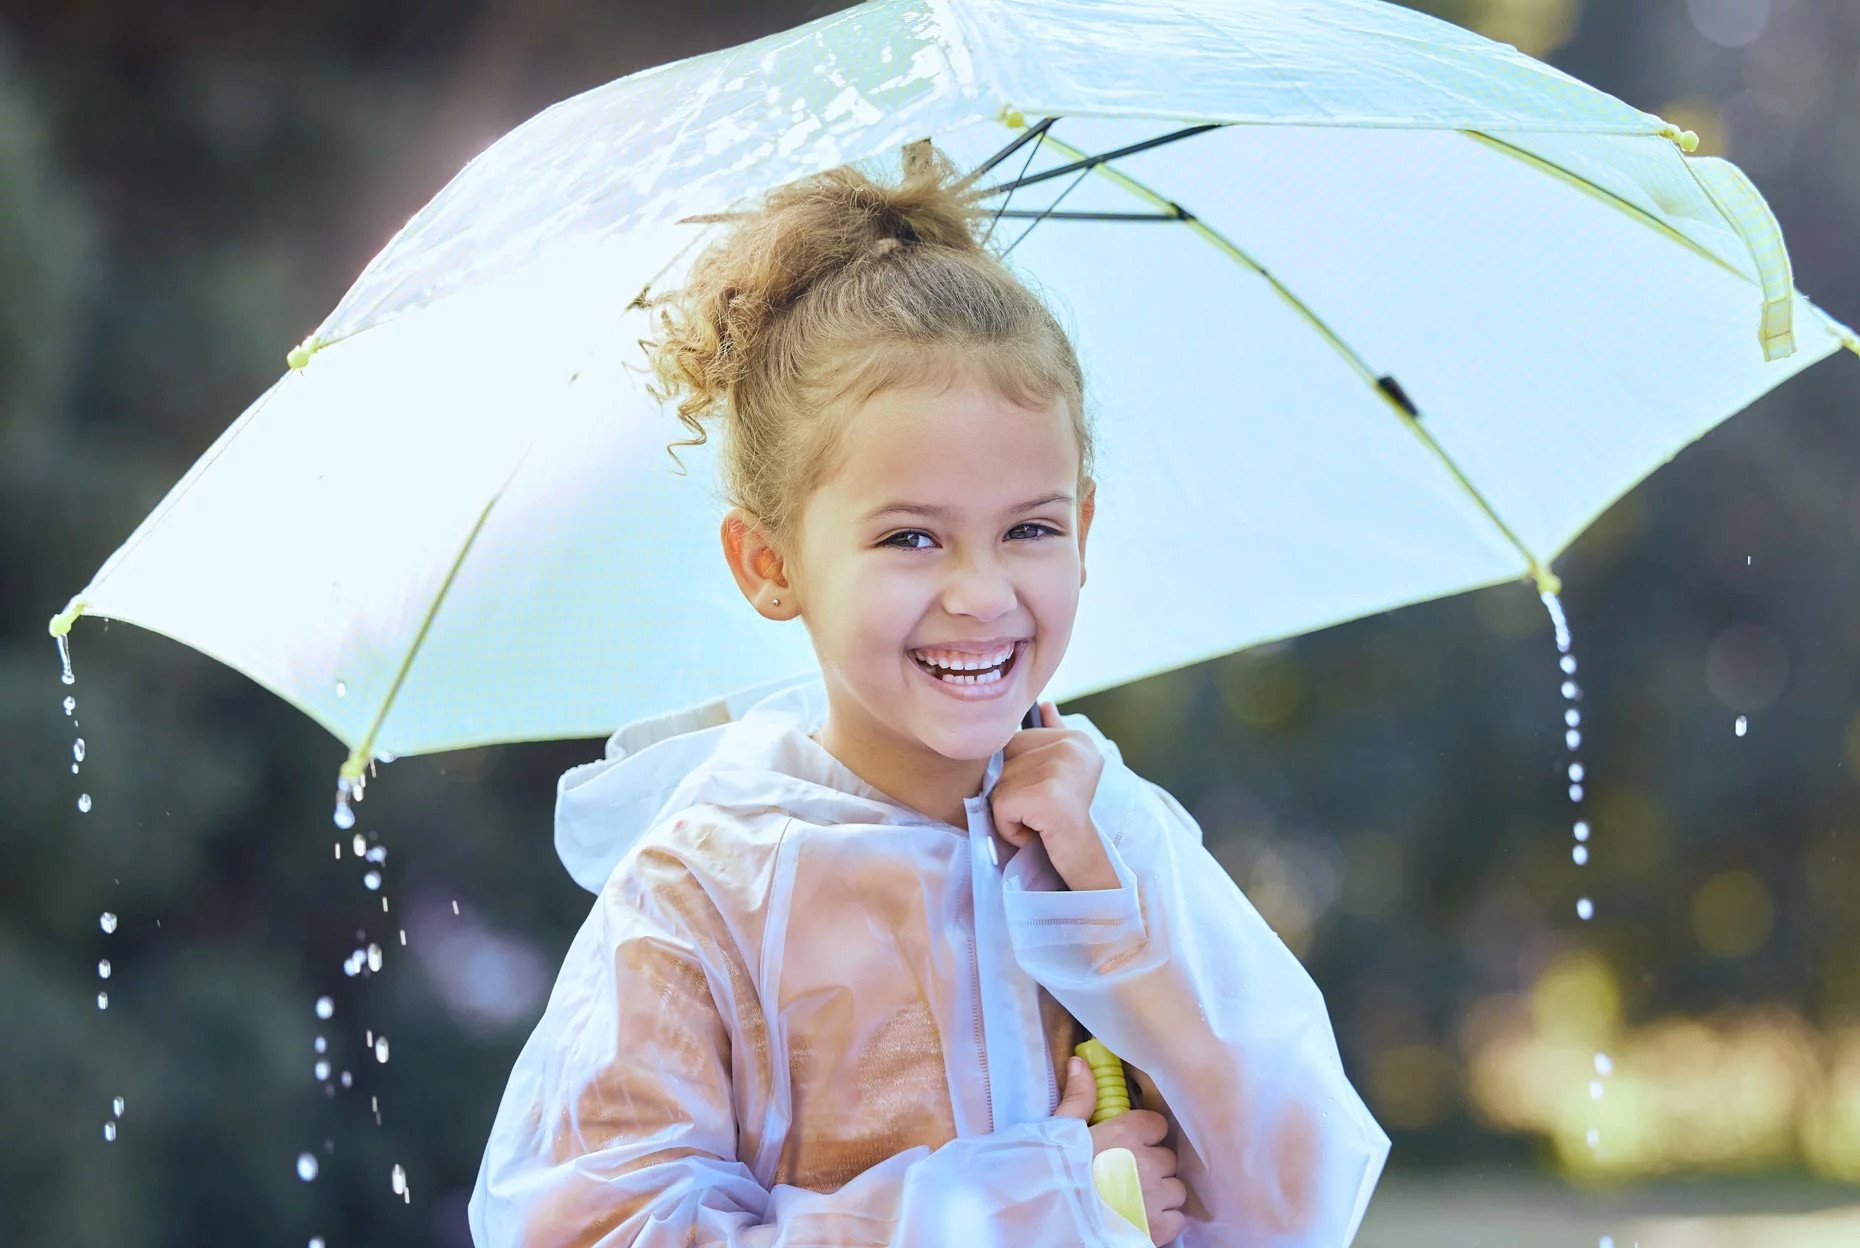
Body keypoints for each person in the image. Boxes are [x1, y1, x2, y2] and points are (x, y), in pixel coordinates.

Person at [468, 142, 1388, 1247]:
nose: (980, 593)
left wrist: (1113, 930)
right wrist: (1034, 1202)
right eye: (911, 537)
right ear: (769, 565)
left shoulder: (1107, 831)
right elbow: (594, 1229)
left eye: (1029, 530)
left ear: (1083, 533)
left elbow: (1296, 1202)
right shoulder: (702, 893)